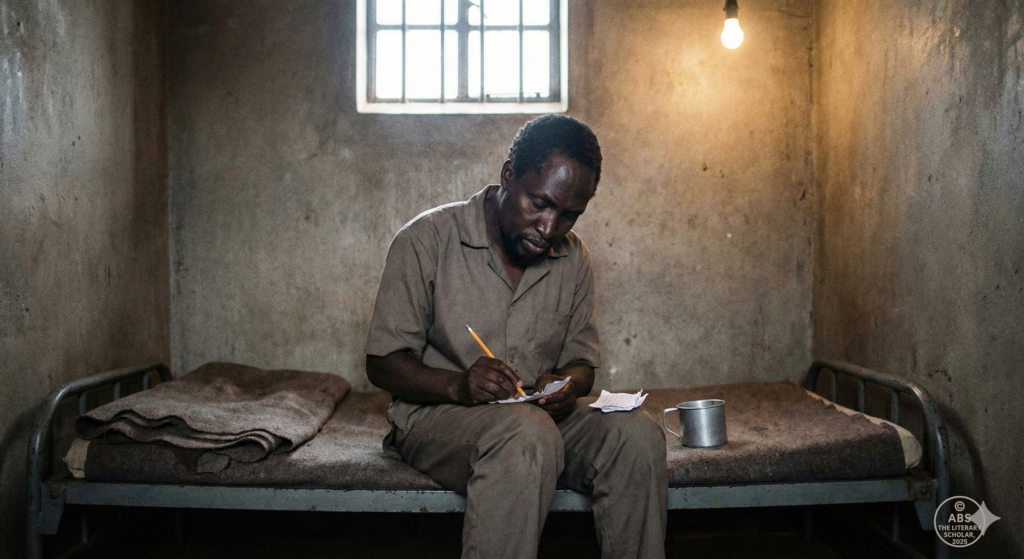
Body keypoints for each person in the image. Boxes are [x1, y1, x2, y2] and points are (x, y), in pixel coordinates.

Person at [365, 114, 667, 559]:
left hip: (536, 421)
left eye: (569, 215)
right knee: (524, 435)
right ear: (508, 175)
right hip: (439, 416)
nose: (549, 229)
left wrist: (566, 386)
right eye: (539, 203)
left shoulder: (574, 258)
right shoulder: (427, 240)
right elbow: (381, 362)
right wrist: (458, 384)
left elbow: (582, 366)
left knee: (638, 435)